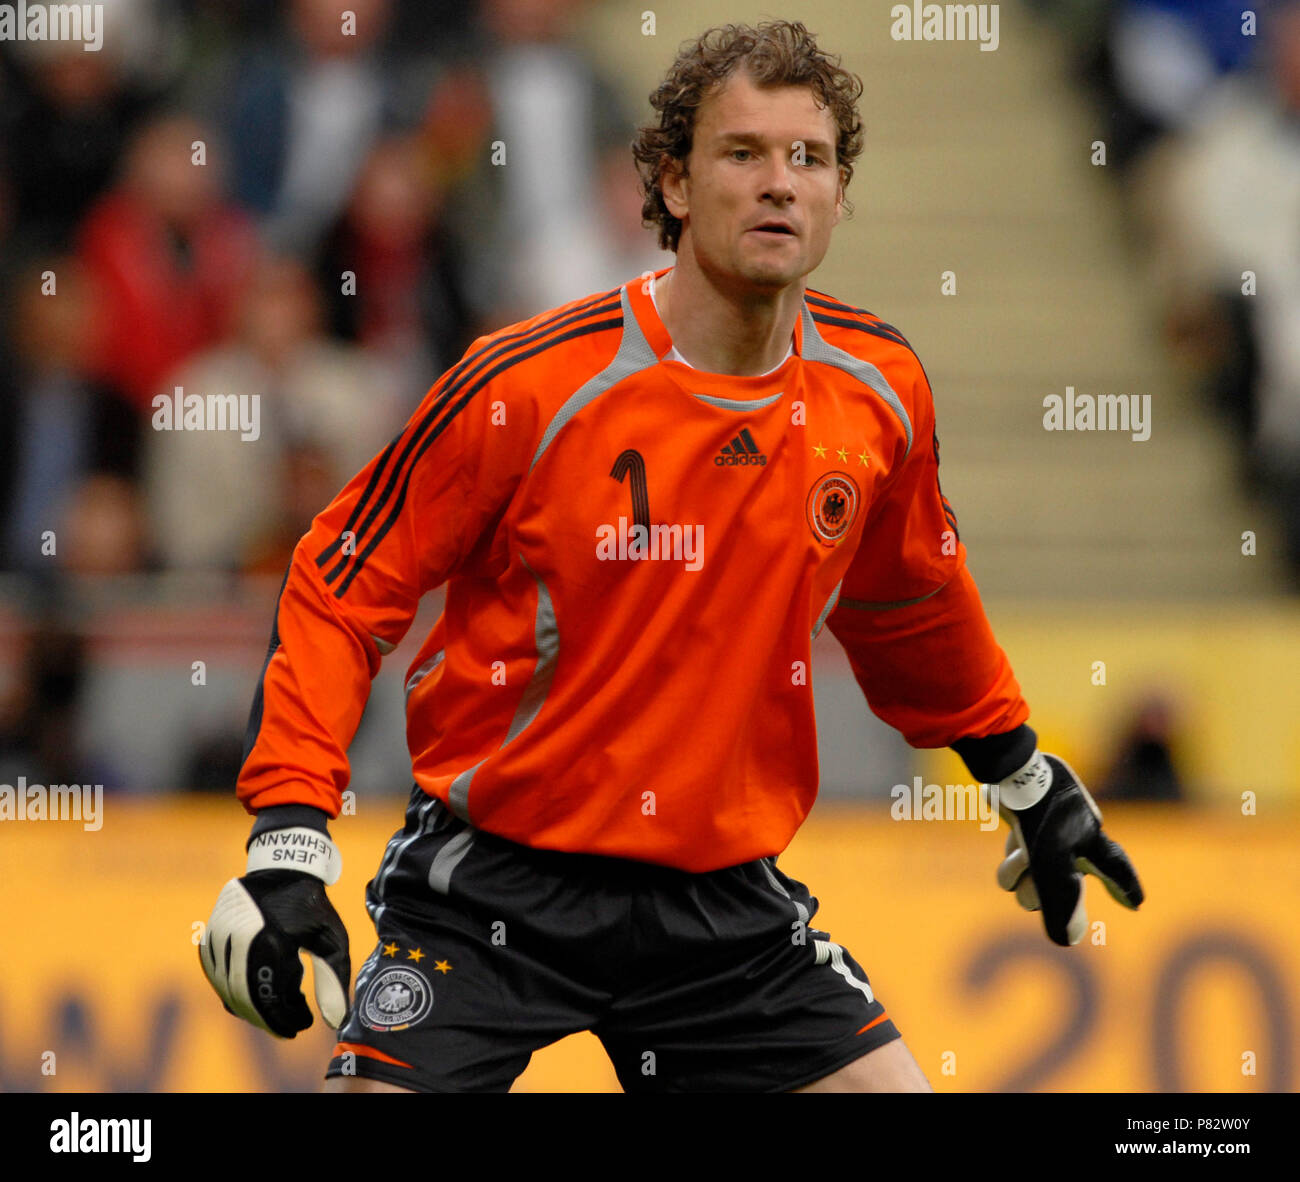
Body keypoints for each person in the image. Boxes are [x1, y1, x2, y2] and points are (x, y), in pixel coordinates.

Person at [199, 20, 1143, 1094]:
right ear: (673, 183)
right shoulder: (528, 386)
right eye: (741, 154)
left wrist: (1017, 771)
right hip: (494, 891)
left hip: (724, 909)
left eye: (810, 158)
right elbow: (337, 584)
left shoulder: (878, 391)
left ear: (843, 194)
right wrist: (286, 837)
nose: (780, 184)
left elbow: (909, 601)